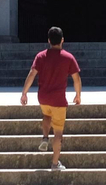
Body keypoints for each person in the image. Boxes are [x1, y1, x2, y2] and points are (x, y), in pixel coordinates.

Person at [19, 26, 81, 172]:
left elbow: (32, 74)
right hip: (58, 100)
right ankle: (54, 163)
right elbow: (76, 79)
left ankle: (45, 137)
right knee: (58, 133)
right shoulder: (68, 57)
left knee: (47, 115)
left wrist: (24, 92)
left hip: (43, 97)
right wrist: (78, 95)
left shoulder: (41, 56)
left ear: (48, 41)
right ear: (62, 40)